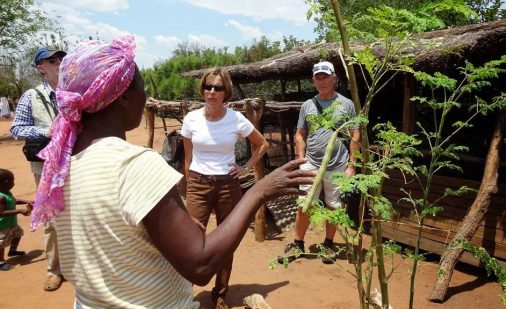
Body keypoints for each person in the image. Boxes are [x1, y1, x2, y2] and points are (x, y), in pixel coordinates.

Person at [31, 35, 314, 308]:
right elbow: (200, 264)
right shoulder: (134, 165)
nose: (146, 96)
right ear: (123, 98)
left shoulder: (59, 168)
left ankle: (221, 293)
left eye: (218, 88)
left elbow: (119, 244)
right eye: (141, 87)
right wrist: (259, 191)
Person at [181, 67, 270, 309]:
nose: (212, 92)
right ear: (202, 90)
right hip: (198, 184)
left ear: (225, 92)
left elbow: (262, 145)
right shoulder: (191, 119)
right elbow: (187, 158)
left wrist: (246, 168)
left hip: (227, 186)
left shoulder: (236, 119)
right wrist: (189, 183)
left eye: (217, 88)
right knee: (189, 241)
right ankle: (181, 294)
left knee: (225, 241)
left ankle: (220, 294)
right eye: (208, 87)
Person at [278, 60, 360, 265]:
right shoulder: (307, 105)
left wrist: (352, 165)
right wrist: (300, 160)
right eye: (318, 77)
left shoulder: (347, 104)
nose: (321, 81)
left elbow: (355, 134)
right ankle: (298, 244)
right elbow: (300, 134)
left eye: (325, 76)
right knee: (305, 204)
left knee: (334, 205)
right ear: (313, 80)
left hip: (338, 164)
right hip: (311, 163)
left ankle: (329, 245)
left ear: (334, 78)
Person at [10, 46, 66, 291]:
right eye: (51, 59)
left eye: (61, 57)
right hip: (45, 167)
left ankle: (84, 265)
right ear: (40, 68)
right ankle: (55, 270)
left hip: (77, 163)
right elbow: (17, 129)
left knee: (84, 211)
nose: (58, 62)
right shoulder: (30, 96)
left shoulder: (76, 91)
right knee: (52, 218)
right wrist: (44, 132)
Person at [0, 169, 33, 271]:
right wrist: (19, 211)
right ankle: (0, 262)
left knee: (18, 234)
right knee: (1, 244)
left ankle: (13, 250)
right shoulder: (1, 197)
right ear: (6, 182)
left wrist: (26, 201)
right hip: (2, 226)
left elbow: (14, 200)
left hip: (11, 223)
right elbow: (2, 213)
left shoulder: (7, 192)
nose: (14, 183)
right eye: (13, 181)